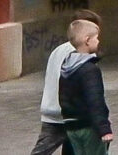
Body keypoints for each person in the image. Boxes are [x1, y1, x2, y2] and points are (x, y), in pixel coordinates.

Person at [26, 13, 91, 155]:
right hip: (69, 114)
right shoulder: (78, 54)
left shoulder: (59, 49)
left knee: (43, 150)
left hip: (52, 108)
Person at [56, 17, 112, 153]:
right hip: (88, 125)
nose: (98, 41)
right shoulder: (90, 69)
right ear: (87, 40)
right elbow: (95, 99)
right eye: (96, 38)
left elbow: (63, 96)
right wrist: (104, 128)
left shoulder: (66, 65)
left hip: (71, 125)